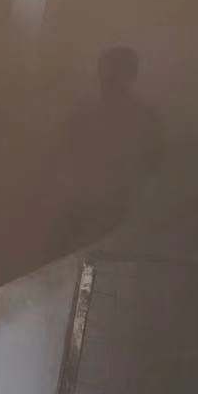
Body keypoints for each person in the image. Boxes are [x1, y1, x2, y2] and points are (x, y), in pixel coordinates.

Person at [49, 45, 165, 256]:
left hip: (118, 212)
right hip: (82, 208)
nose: (107, 78)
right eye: (105, 71)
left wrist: (136, 204)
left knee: (104, 263)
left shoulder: (145, 118)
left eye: (115, 72)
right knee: (74, 261)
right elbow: (61, 155)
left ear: (130, 75)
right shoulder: (82, 113)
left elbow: (153, 167)